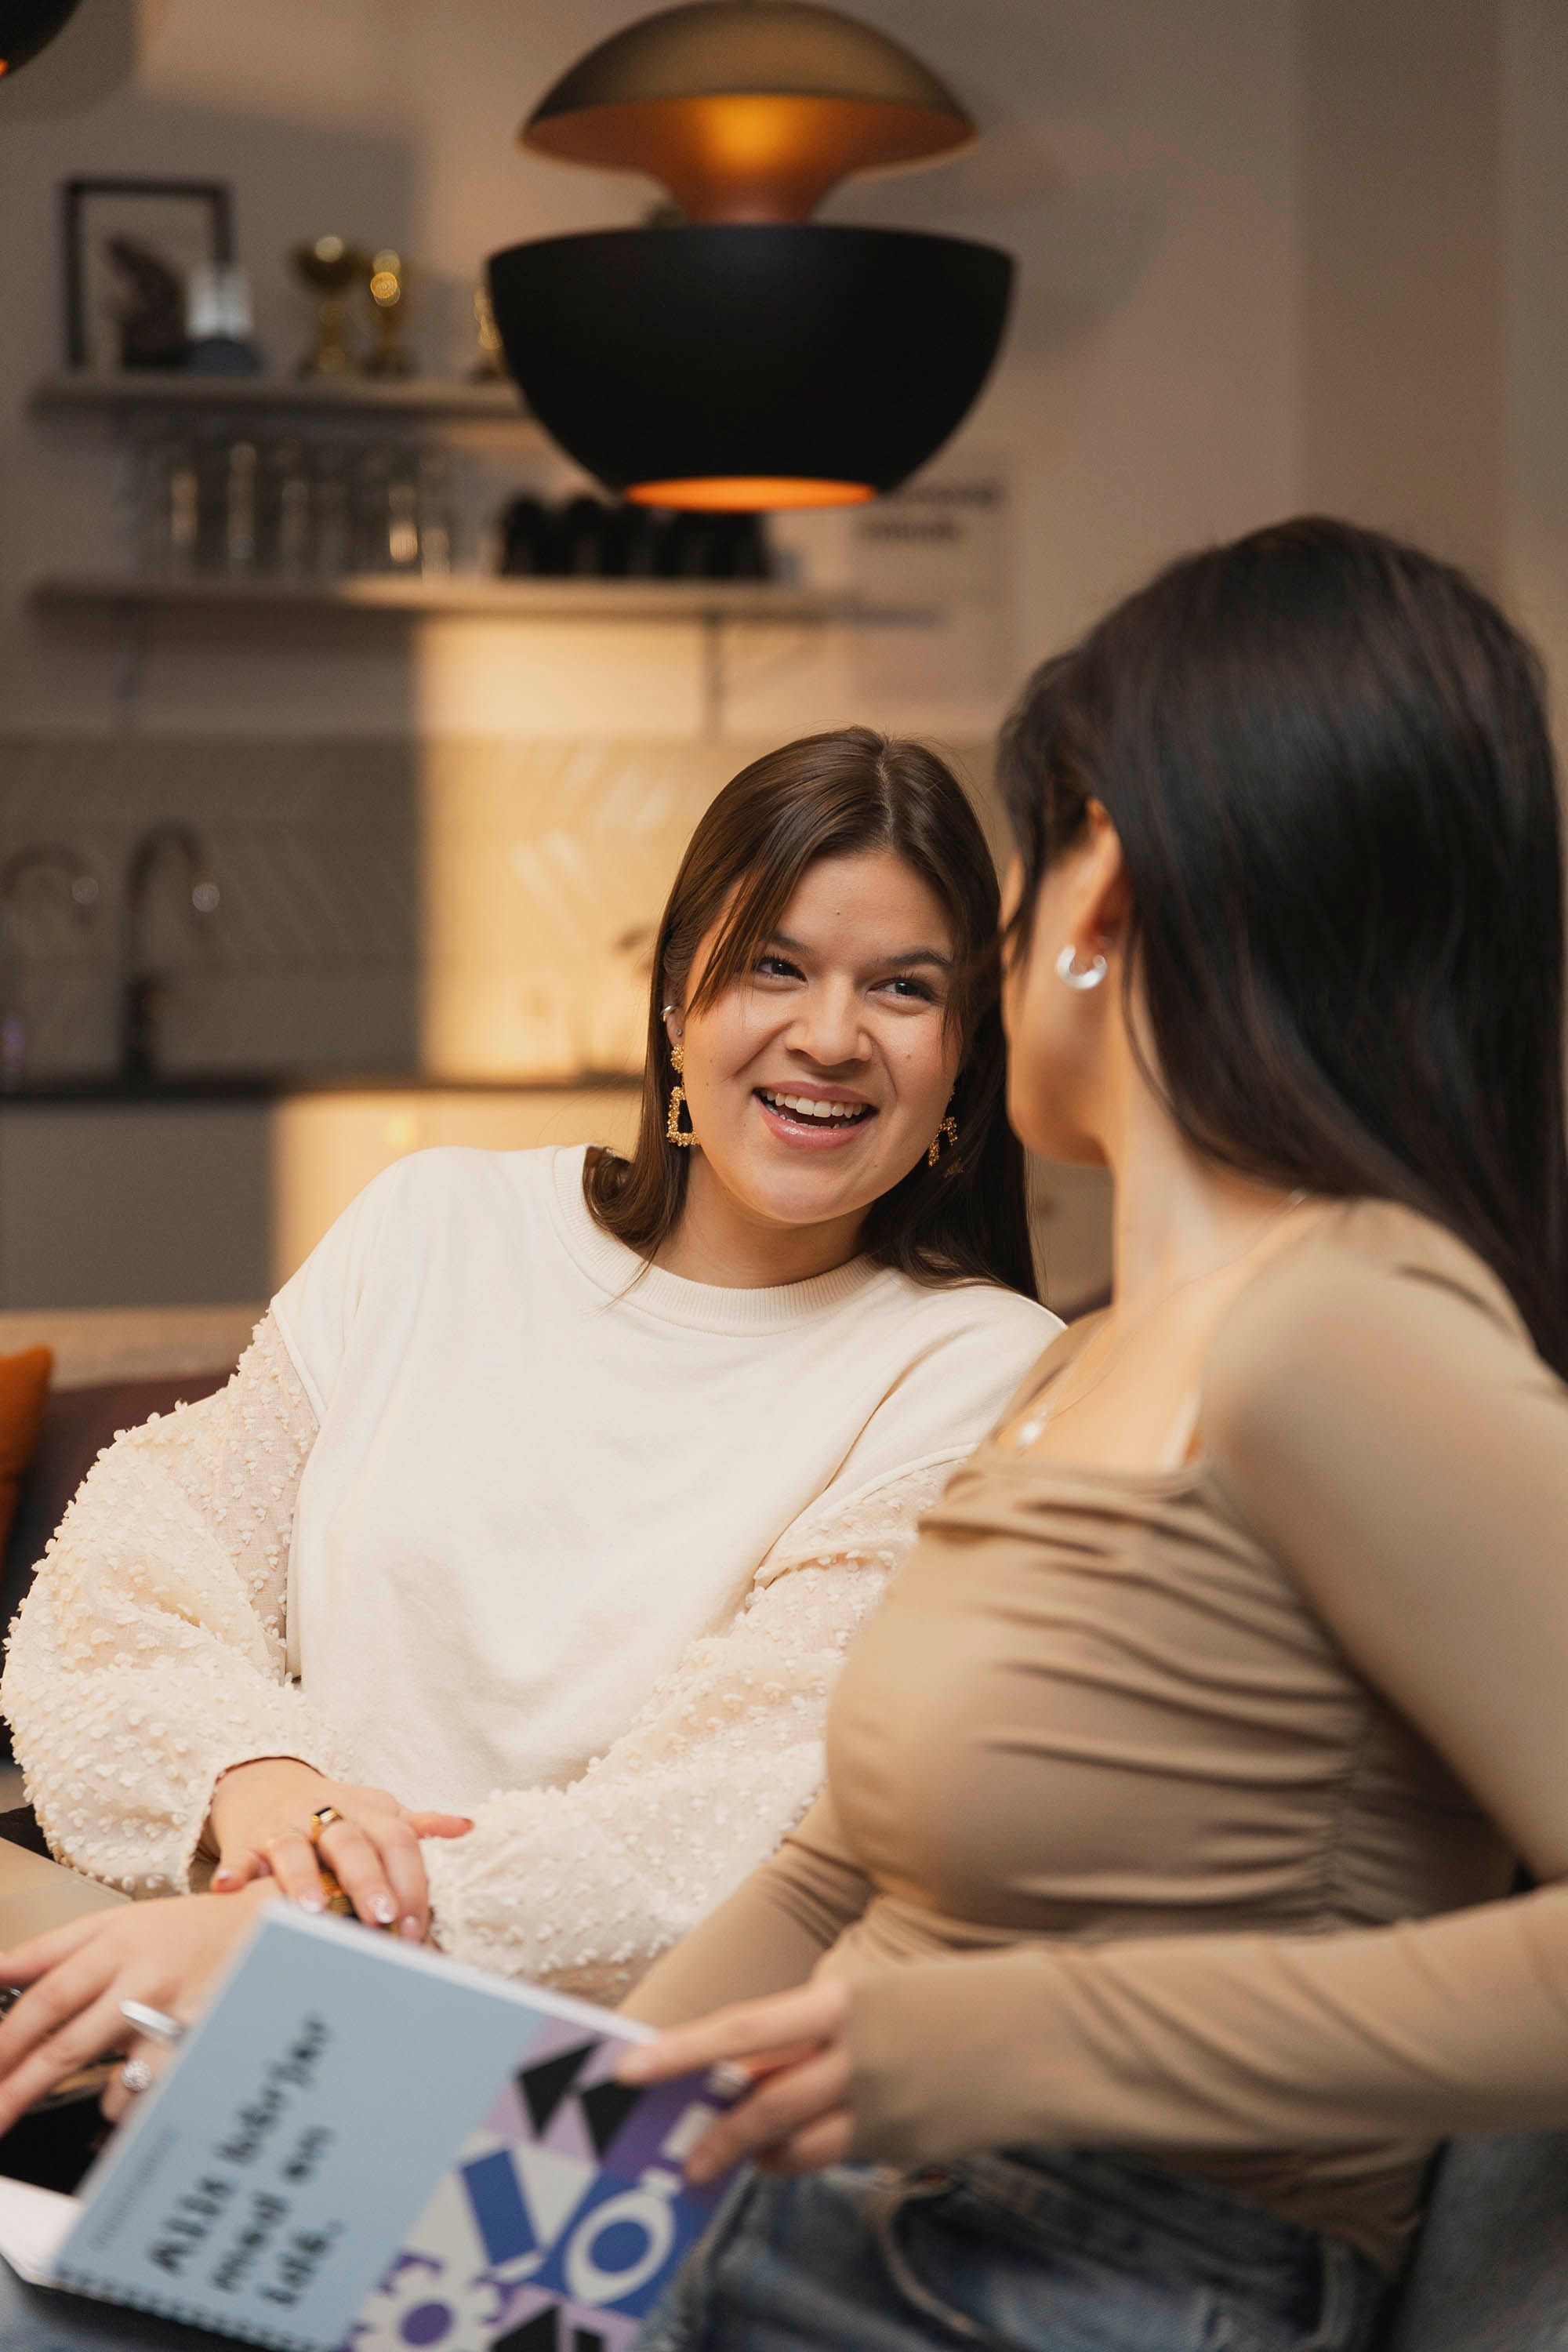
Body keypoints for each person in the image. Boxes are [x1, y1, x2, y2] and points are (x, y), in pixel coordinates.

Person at [612, 520, 1568, 2352]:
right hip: (825, 2228)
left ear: (1101, 889)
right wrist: (521, 2156)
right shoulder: (1073, 1368)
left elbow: (972, 2025)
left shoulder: (1340, 1328)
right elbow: (826, 1881)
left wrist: (1015, 2039)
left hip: (1073, 2273)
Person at [0, 728, 1057, 2129]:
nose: (829, 1034)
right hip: (191, 1994)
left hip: (549, 2103)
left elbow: (734, 1824)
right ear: (677, 998)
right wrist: (259, 1782)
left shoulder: (978, 1369)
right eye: (775, 965)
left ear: (965, 1052)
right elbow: (129, 1578)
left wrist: (305, 1933)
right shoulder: (435, 1224)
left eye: (903, 988)